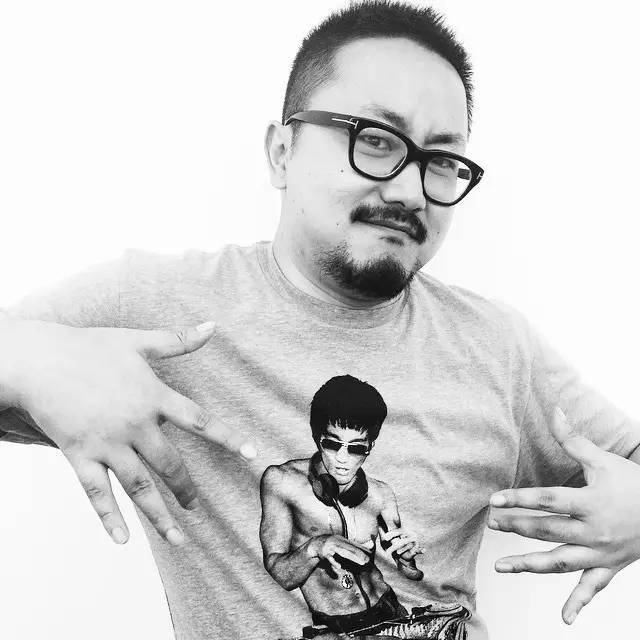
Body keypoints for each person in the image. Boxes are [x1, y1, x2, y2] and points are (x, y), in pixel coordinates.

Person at [1, 1, 639, 639]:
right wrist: (32, 363)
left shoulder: (496, 348)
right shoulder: (157, 308)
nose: (410, 191)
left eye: (441, 162)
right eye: (376, 140)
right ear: (282, 152)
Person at [260, 374, 466, 638]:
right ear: (316, 436)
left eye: (356, 449)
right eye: (332, 444)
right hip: (337, 624)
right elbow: (281, 574)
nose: (342, 459)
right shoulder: (282, 482)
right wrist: (317, 547)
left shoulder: (381, 494)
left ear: (370, 446)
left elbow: (411, 574)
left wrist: (407, 561)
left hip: (390, 612)